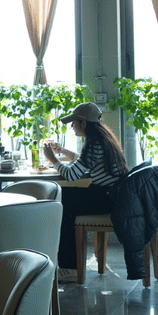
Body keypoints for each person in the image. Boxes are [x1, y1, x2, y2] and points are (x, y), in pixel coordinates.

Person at [43, 102, 126, 282]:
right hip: (110, 195)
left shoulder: (93, 144)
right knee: (61, 197)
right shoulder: (102, 139)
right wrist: (63, 152)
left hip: (105, 197)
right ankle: (69, 265)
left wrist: (52, 159)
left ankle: (70, 267)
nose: (72, 127)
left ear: (84, 123)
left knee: (59, 199)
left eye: (74, 123)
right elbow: (85, 162)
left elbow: (72, 175)